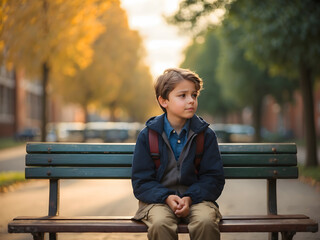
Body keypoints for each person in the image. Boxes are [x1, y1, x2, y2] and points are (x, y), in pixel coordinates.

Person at [131, 68, 225, 240]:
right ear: (164, 100)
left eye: (194, 95)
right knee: (160, 224)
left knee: (205, 221)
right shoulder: (148, 136)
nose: (191, 101)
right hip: (158, 201)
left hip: (197, 199)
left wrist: (190, 198)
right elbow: (141, 181)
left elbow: (213, 178)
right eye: (183, 95)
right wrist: (166, 197)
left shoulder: (205, 135)